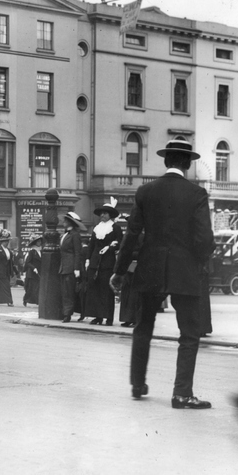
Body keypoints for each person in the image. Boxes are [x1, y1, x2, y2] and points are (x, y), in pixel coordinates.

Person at [110, 139, 215, 409]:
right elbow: (204, 238)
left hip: (150, 269)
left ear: (166, 161)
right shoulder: (197, 194)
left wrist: (119, 272)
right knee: (189, 334)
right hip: (185, 271)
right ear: (188, 163)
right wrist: (200, 262)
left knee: (143, 328)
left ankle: (137, 384)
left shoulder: (146, 192)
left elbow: (131, 235)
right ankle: (181, 393)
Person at [84, 198, 123, 326]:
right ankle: (97, 316)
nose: (102, 215)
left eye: (105, 213)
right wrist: (88, 260)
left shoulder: (115, 228)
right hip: (95, 263)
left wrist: (111, 246)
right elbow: (92, 245)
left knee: (106, 291)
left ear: (110, 214)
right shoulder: (96, 228)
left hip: (107, 262)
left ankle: (108, 318)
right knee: (95, 290)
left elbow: (120, 243)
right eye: (101, 213)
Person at [59, 212, 85, 323]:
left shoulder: (75, 235)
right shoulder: (65, 234)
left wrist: (76, 269)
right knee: (65, 291)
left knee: (69, 292)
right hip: (64, 267)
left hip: (70, 267)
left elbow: (77, 252)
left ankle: (67, 314)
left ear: (70, 222)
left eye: (65, 220)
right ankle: (68, 312)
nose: (63, 222)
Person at [0, 229, 17, 307]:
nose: (7, 243)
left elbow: (11, 262)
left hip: (7, 271)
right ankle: (9, 301)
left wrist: (15, 271)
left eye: (7, 241)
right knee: (6, 286)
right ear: (1, 242)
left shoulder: (9, 251)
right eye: (5, 241)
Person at [23, 235, 42, 306]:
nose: (40, 243)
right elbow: (28, 262)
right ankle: (26, 299)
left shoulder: (40, 251)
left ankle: (37, 301)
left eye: (40, 241)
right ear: (35, 243)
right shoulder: (32, 252)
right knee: (31, 288)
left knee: (38, 288)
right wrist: (33, 268)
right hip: (32, 273)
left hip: (39, 272)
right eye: (38, 241)